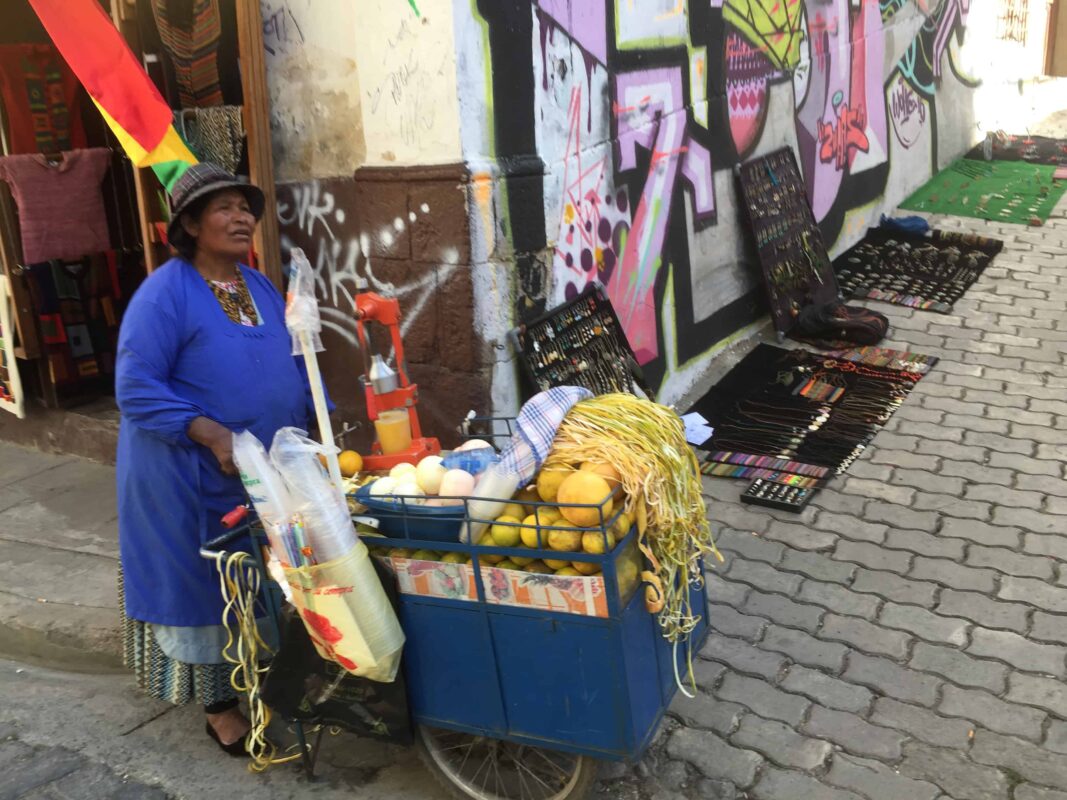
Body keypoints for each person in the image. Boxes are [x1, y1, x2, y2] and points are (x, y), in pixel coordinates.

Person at [115, 163, 325, 756]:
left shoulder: (256, 285)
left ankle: (259, 683)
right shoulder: (164, 293)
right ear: (189, 223)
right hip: (188, 476)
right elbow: (135, 387)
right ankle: (220, 709)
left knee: (256, 582)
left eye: (245, 207)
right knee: (208, 589)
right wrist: (209, 434)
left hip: (257, 474)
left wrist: (321, 421)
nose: (241, 218)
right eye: (224, 208)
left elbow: (294, 363)